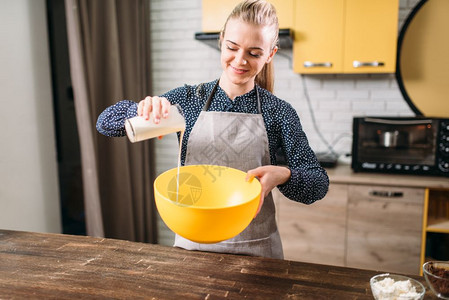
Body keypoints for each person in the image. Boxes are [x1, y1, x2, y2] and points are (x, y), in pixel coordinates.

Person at [96, 0, 329, 259]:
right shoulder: (187, 100)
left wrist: (283, 175)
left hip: (257, 252)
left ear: (270, 54)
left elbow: (318, 185)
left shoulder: (279, 112)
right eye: (232, 47)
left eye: (254, 53)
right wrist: (143, 108)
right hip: (192, 249)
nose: (240, 61)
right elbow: (106, 123)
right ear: (221, 40)